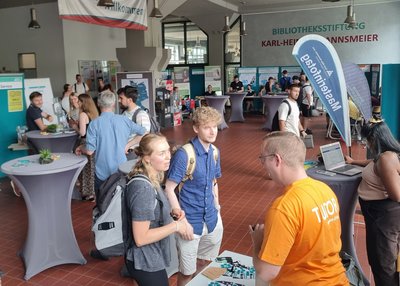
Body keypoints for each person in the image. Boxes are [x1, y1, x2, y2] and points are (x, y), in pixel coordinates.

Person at [250, 131, 348, 285]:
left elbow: (267, 272)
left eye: (262, 159)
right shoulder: (325, 189)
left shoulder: (284, 208)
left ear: (277, 160)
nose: (262, 165)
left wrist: (257, 243)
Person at [164, 106, 223, 286]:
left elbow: (214, 181)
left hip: (212, 220)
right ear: (196, 129)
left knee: (207, 264)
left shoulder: (214, 152)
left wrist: (218, 208)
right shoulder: (185, 154)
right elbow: (169, 187)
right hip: (190, 222)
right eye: (207, 127)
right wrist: (181, 221)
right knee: (187, 273)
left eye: (215, 126)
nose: (213, 131)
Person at [124, 133, 186, 286]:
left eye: (168, 151)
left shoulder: (152, 176)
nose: (168, 157)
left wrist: (170, 213)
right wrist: (176, 226)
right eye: (161, 153)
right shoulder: (143, 188)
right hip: (144, 261)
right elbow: (141, 238)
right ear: (146, 158)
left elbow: (150, 211)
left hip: (149, 257)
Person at [345, 118, 400, 286]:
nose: (366, 144)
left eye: (367, 140)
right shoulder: (384, 156)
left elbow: (397, 195)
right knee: (381, 261)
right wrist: (354, 162)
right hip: (378, 217)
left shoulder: (386, 159)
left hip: (383, 219)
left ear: (375, 139)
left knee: (383, 265)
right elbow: (374, 164)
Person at [75, 90, 146, 196]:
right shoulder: (124, 120)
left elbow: (89, 151)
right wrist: (128, 145)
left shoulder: (94, 124)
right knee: (121, 202)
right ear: (113, 104)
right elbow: (143, 131)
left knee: (102, 204)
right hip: (121, 169)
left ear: (98, 104)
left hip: (101, 173)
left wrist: (81, 147)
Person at [75, 93, 99, 201]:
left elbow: (82, 132)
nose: (77, 103)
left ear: (82, 102)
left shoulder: (83, 114)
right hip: (95, 143)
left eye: (79, 101)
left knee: (86, 168)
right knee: (92, 167)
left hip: (85, 142)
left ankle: (88, 193)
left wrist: (75, 126)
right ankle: (94, 192)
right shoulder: (94, 113)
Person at [117, 86, 151, 158]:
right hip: (124, 151)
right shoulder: (124, 113)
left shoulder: (141, 114)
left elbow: (144, 134)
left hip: (134, 153)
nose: (118, 101)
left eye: (121, 98)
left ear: (129, 100)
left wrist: (127, 145)